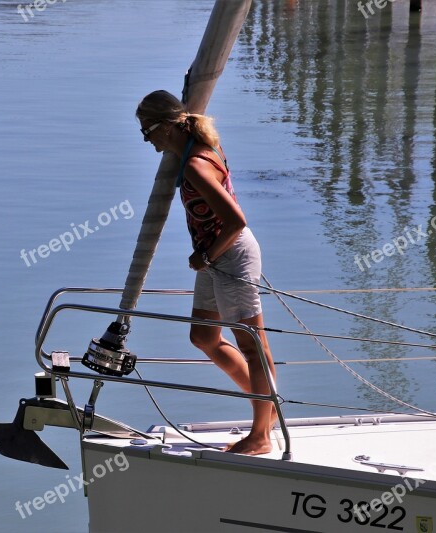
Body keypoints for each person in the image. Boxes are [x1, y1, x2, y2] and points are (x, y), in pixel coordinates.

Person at [136, 90, 278, 455]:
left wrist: (206, 256)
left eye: (146, 132)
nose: (148, 143)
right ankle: (268, 407)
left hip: (230, 256)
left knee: (252, 345)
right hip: (215, 256)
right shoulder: (193, 151)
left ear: (166, 128)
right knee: (203, 336)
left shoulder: (197, 165)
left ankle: (261, 435)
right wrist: (206, 256)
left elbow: (235, 220)